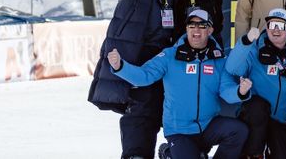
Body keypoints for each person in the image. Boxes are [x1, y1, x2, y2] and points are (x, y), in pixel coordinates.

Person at [88, 0, 180, 159]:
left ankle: (174, 151)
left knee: (160, 105)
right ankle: (136, 154)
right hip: (136, 49)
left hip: (163, 51)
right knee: (139, 107)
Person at [106, 9, 248, 159]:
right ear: (186, 29)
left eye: (202, 25)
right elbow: (144, 76)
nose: (196, 30)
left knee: (238, 131)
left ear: (210, 30)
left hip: (208, 126)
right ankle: (169, 153)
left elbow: (226, 90)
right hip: (179, 131)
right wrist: (119, 66)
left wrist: (240, 91)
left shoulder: (219, 60)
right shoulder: (169, 56)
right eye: (191, 25)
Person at [226, 8, 286, 159]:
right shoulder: (254, 48)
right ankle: (253, 154)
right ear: (267, 27)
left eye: (282, 26)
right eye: (272, 25)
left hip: (281, 118)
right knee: (257, 107)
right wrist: (246, 41)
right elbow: (232, 68)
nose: (276, 30)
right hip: (255, 117)